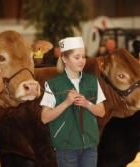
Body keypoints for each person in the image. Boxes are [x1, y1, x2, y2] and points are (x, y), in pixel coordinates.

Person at [40, 37, 106, 167]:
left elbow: (102, 112)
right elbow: (44, 118)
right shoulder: (53, 85)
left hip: (90, 146)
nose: (82, 60)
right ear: (65, 59)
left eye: (83, 56)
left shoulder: (92, 81)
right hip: (66, 147)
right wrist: (66, 103)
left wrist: (87, 104)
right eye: (77, 57)